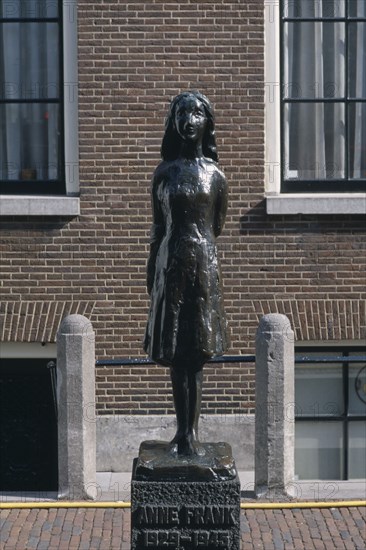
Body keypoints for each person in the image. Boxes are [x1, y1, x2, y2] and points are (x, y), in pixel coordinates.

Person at [144, 91, 229, 456]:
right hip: (170, 265)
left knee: (196, 354)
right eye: (182, 113)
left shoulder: (216, 177)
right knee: (176, 355)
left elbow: (217, 225)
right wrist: (153, 272)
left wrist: (198, 252)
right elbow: (158, 228)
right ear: (174, 123)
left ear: (207, 122)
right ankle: (181, 433)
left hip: (203, 267)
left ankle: (193, 433)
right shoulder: (164, 174)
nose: (190, 120)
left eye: (197, 113)